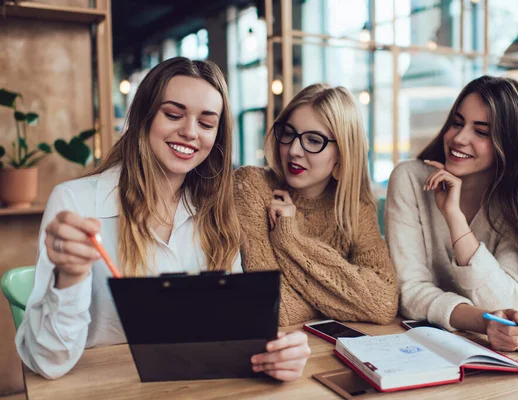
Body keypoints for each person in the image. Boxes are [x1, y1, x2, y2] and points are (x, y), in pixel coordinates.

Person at [16, 57, 310, 381]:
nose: (189, 132)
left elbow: (233, 334)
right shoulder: (75, 202)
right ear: (143, 116)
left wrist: (276, 355)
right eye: (173, 115)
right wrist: (69, 277)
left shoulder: (217, 211)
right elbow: (47, 361)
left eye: (207, 123)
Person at [385, 75, 518, 351]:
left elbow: (505, 301)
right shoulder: (410, 180)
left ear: (510, 146)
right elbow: (410, 291)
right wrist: (482, 322)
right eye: (457, 122)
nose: (459, 138)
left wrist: (455, 219)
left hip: (493, 354)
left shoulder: (515, 205)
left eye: (481, 132)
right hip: (420, 345)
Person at [234, 83, 398, 326]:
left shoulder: (355, 209)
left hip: (326, 351)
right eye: (288, 133)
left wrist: (290, 239)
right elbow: (273, 307)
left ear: (343, 152)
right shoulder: (251, 186)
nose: (294, 150)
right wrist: (340, 300)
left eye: (313, 140)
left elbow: (383, 303)